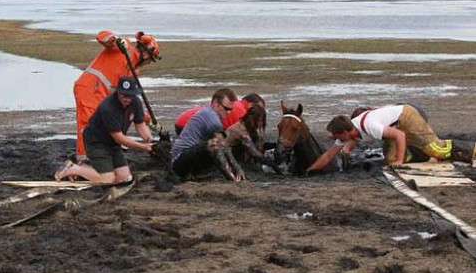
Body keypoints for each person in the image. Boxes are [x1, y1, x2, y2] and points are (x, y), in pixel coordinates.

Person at [73, 30, 161, 163]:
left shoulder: (132, 71)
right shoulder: (125, 46)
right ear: (145, 53)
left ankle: (102, 154)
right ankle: (84, 161)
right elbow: (102, 36)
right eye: (150, 60)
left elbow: (131, 103)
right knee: (88, 125)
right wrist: (114, 40)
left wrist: (148, 120)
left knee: (109, 124)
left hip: (103, 96)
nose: (148, 64)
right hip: (90, 89)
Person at [307, 104, 476, 172]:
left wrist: (400, 161)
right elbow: (328, 155)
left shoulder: (369, 126)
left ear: (345, 133)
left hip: (407, 117)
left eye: (337, 136)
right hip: (394, 125)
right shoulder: (349, 130)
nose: (335, 139)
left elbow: (400, 135)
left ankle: (472, 149)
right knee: (390, 160)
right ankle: (417, 153)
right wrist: (309, 171)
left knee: (437, 149)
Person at [55, 77, 153, 184]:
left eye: (130, 95)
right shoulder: (108, 107)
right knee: (108, 180)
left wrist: (149, 139)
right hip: (97, 142)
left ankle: (85, 167)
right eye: (124, 95)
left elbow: (140, 125)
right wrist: (143, 147)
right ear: (118, 92)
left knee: (124, 179)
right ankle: (73, 169)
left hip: (113, 143)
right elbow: (119, 138)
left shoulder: (136, 103)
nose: (127, 99)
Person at [171, 88, 245, 181]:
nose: (228, 112)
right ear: (215, 103)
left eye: (230, 109)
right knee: (215, 143)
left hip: (190, 157)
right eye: (226, 108)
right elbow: (222, 145)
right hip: (180, 161)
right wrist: (237, 168)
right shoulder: (211, 117)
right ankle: (232, 178)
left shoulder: (209, 113)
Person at [174, 93, 265, 135]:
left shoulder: (233, 104)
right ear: (251, 105)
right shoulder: (242, 112)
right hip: (189, 126)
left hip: (181, 121)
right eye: (260, 109)